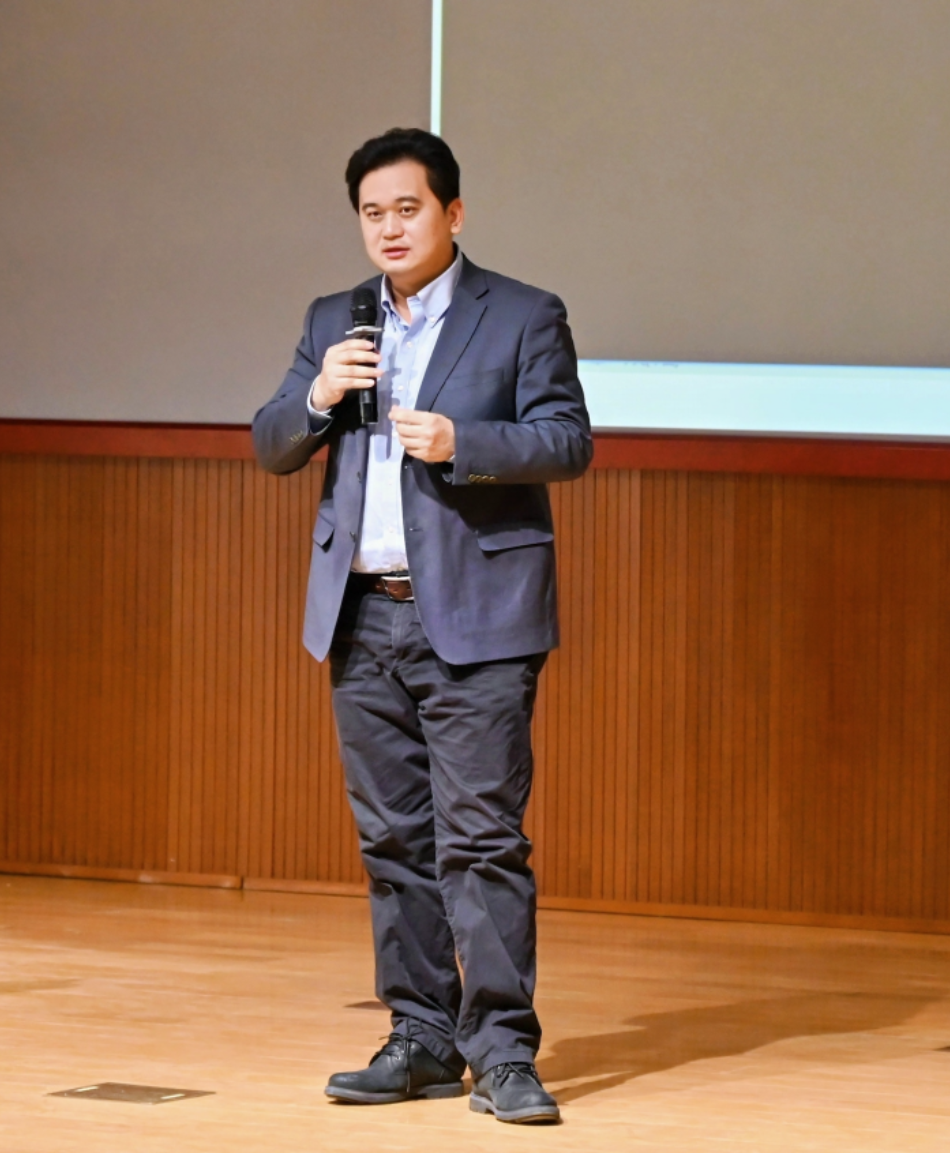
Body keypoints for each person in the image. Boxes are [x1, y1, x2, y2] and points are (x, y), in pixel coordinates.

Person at [251, 128, 592, 1125]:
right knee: (394, 840)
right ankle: (421, 1037)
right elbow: (271, 442)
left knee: (479, 842)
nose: (389, 228)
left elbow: (566, 441)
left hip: (477, 619)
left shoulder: (522, 313)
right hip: (362, 616)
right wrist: (319, 394)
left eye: (407, 208)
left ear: (453, 212)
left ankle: (503, 1050)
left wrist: (461, 442)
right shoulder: (336, 320)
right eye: (373, 213)